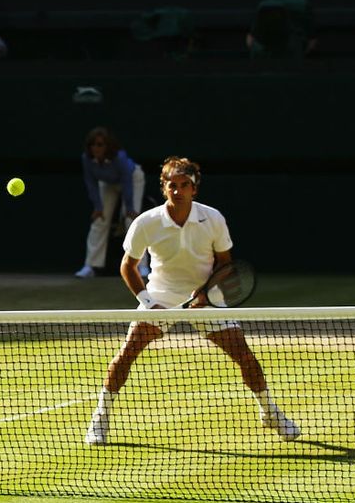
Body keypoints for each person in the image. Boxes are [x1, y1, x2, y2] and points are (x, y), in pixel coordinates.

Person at [83, 157, 300, 446]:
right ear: (164, 188)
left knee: (245, 357)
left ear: (194, 189)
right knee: (126, 355)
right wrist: (148, 301)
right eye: (172, 185)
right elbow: (128, 266)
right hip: (161, 295)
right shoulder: (146, 222)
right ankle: (100, 418)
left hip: (207, 296)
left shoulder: (213, 219)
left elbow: (226, 264)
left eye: (185, 185)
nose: (178, 191)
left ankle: (269, 411)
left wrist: (206, 293)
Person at [74, 127, 146, 279]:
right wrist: (98, 207)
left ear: (107, 146)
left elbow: (127, 181)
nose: (96, 148)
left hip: (132, 179)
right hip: (108, 183)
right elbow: (91, 183)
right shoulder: (86, 159)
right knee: (99, 220)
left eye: (100, 144)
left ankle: (143, 267)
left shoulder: (119, 158)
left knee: (131, 222)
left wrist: (130, 207)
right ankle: (91, 266)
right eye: (93, 144)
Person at [246, 0, 316, 59]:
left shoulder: (264, 4)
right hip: (294, 51)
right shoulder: (304, 3)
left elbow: (251, 37)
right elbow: (312, 39)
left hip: (266, 53)